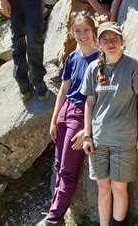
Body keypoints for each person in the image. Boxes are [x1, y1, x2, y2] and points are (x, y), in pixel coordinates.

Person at [82, 22, 138, 226]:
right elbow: (89, 102)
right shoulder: (93, 68)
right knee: (103, 187)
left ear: (122, 41)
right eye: (105, 39)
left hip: (125, 139)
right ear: (99, 44)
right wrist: (86, 135)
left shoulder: (132, 66)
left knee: (119, 188)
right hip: (99, 139)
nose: (110, 43)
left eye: (114, 39)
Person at [43, 12, 99, 225]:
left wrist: (87, 129)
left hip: (81, 114)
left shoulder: (100, 58)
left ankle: (52, 220)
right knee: (58, 166)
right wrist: (54, 119)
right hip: (65, 112)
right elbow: (64, 88)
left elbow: (102, 99)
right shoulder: (73, 57)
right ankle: (57, 214)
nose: (82, 34)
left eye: (86, 30)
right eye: (78, 31)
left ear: (93, 30)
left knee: (67, 171)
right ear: (72, 32)